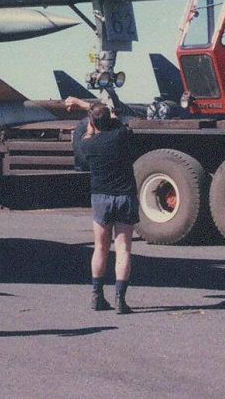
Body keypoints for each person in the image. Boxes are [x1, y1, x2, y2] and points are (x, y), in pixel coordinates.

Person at [74, 99, 137, 314]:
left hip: (101, 198)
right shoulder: (121, 136)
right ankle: (120, 299)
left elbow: (88, 135)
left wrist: (91, 124)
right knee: (123, 250)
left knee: (100, 249)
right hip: (125, 197)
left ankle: (97, 296)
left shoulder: (87, 144)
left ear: (92, 123)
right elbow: (119, 121)